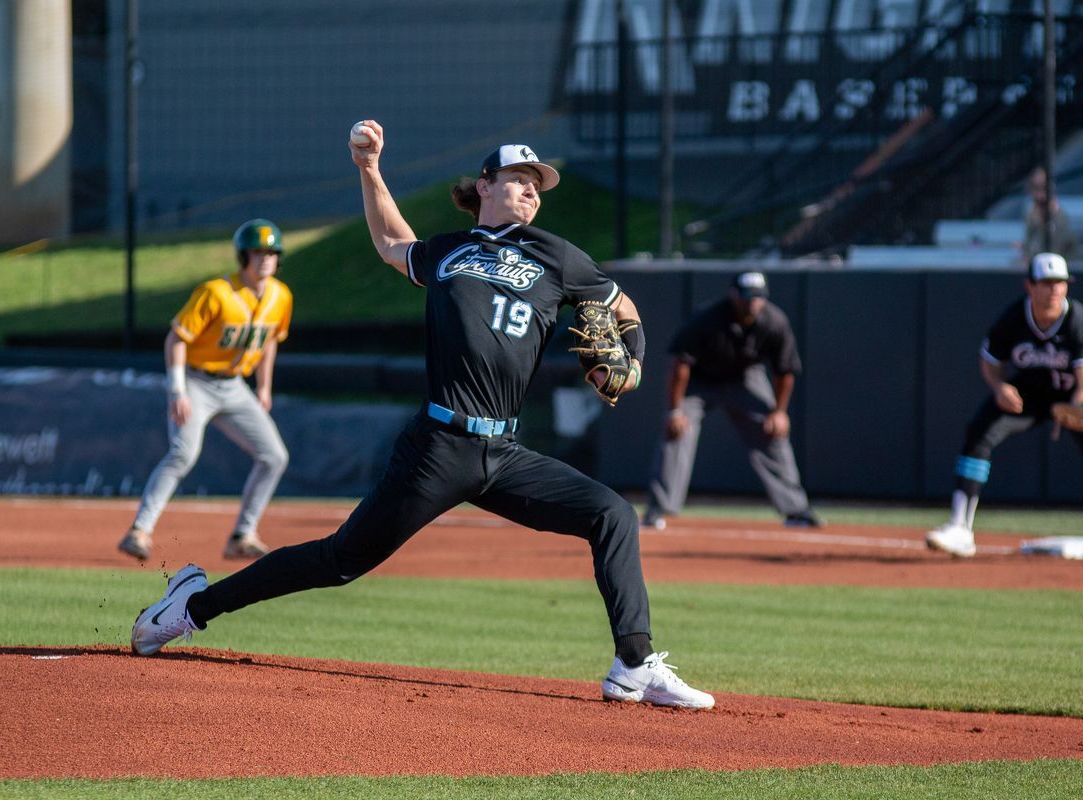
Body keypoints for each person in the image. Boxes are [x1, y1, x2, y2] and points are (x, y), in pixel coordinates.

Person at [128, 122, 716, 710]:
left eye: (538, 184)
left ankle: (634, 665)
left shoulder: (556, 256)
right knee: (341, 561)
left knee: (612, 514)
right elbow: (390, 244)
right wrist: (371, 169)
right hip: (438, 446)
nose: (533, 190)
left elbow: (622, 306)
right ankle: (190, 606)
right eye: (519, 178)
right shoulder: (447, 251)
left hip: (504, 453)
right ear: (485, 185)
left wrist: (633, 360)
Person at [117, 219, 292, 561]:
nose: (265, 260)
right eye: (257, 252)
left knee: (274, 456)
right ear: (243, 257)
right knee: (183, 454)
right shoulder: (216, 292)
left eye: (271, 252)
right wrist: (177, 391)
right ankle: (139, 530)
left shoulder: (281, 296)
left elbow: (270, 341)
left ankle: (242, 535)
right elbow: (176, 339)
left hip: (234, 386)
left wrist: (264, 387)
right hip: (196, 383)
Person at [926, 252, 1083, 558]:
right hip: (1025, 396)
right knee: (979, 431)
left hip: (1071, 398)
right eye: (1046, 283)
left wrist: (1076, 408)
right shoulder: (1014, 318)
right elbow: (990, 361)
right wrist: (999, 387)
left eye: (1060, 283)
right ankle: (960, 527)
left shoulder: (1077, 320)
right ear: (1029, 285)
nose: (1054, 290)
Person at [642, 271, 822, 530]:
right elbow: (679, 364)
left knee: (773, 431)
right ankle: (659, 510)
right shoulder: (707, 319)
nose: (753, 302)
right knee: (676, 431)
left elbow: (785, 371)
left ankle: (796, 510)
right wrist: (675, 411)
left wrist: (779, 412)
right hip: (701, 381)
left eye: (759, 296)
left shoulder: (774, 321)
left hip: (745, 379)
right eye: (748, 295)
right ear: (734, 294)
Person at [1022, 167, 1080, 264]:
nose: (1039, 194)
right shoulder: (1030, 214)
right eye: (1035, 187)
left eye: (1043, 187)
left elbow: (1056, 252)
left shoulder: (1060, 217)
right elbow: (1029, 248)